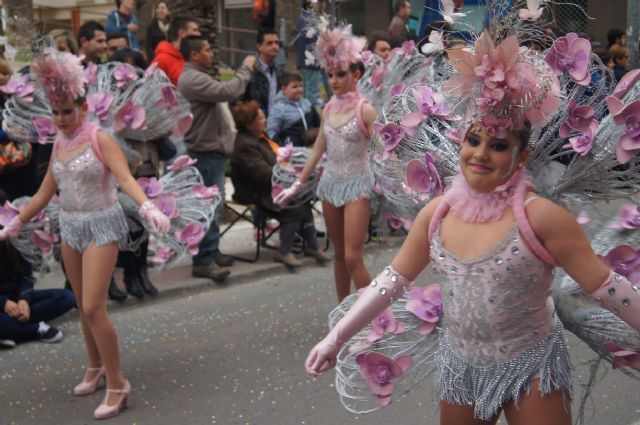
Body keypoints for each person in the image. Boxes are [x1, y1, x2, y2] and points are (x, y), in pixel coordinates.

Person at [304, 20, 640, 424]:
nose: (480, 154)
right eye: (473, 140)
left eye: (498, 146)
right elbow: (391, 281)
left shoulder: (540, 218)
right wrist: (336, 336)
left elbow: (606, 287)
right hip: (460, 368)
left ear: (521, 157)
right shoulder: (438, 212)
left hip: (530, 365)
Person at [0, 51, 171, 419]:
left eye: (67, 111)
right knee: (81, 303)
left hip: (101, 223)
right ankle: (94, 367)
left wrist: (148, 207)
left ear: (83, 106)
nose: (61, 119)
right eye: (56, 112)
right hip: (70, 226)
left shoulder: (100, 138)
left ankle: (117, 383)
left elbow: (125, 179)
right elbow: (47, 191)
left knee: (94, 306)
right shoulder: (59, 144)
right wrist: (15, 222)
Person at [274, 24, 377, 302]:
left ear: (356, 74)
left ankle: (378, 318)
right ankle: (342, 310)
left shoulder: (365, 109)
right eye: (330, 74)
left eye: (340, 74)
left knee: (354, 257)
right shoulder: (329, 107)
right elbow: (319, 147)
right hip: (330, 184)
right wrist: (297, 184)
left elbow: (386, 147)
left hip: (357, 184)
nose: (333, 80)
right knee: (339, 255)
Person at [177, 35, 256, 282]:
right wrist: (246, 69)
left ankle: (211, 251)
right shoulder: (192, 79)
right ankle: (202, 261)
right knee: (208, 208)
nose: (211, 53)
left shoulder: (199, 75)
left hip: (212, 152)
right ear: (194, 55)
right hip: (204, 153)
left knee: (214, 206)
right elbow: (227, 91)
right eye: (207, 50)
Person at [230, 100, 330, 267]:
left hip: (272, 184)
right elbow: (263, 174)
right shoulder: (245, 145)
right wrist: (291, 172)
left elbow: (276, 161)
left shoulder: (259, 137)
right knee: (292, 207)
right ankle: (284, 251)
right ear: (249, 124)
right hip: (255, 190)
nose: (266, 120)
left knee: (303, 202)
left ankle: (312, 247)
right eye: (261, 118)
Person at [0, 190, 75, 349]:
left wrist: (23, 300)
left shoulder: (13, 236)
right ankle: (35, 329)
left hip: (16, 297)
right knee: (5, 322)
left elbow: (26, 275)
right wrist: (4, 303)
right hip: (3, 303)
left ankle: (10, 331)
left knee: (66, 297)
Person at [266, 72, 321, 147]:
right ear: (284, 89)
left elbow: (318, 124)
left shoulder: (307, 104)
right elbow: (271, 132)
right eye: (294, 87)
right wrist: (281, 149)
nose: (299, 89)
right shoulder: (278, 109)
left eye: (301, 86)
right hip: (291, 150)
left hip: (312, 148)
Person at [240, 28, 282, 117]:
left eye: (277, 43)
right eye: (270, 43)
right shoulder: (250, 70)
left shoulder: (280, 71)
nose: (275, 46)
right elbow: (238, 101)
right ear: (259, 46)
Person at [152, 16, 200, 86]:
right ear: (182, 33)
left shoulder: (194, 57)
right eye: (195, 30)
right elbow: (152, 90)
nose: (199, 34)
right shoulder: (161, 60)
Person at [295, 0, 326, 107]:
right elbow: (315, 42)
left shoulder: (303, 18)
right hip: (311, 61)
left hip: (305, 60)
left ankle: (308, 112)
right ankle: (311, 115)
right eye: (320, 2)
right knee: (311, 90)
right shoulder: (311, 20)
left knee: (307, 89)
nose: (323, 5)